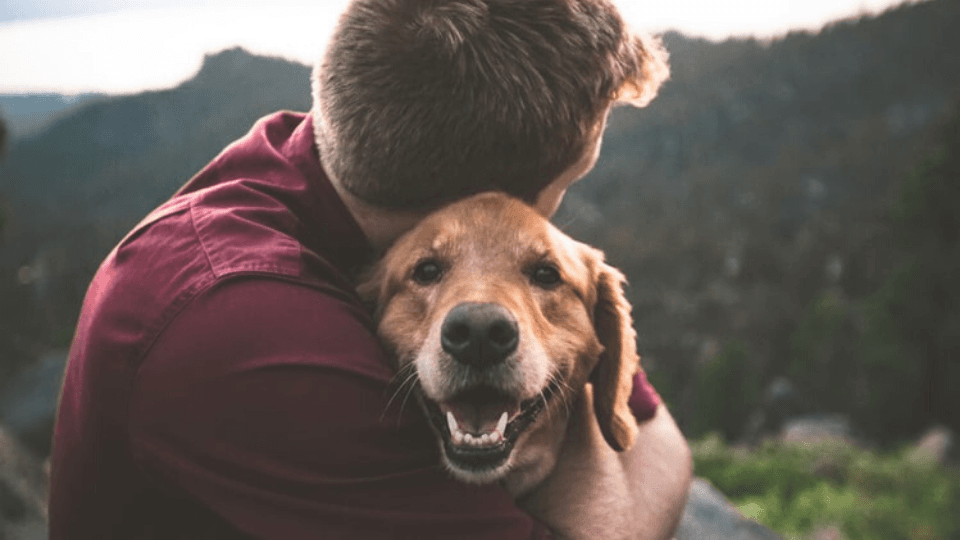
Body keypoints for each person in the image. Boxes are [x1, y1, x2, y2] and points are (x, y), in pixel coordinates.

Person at [48, 0, 691, 538]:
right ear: (490, 199)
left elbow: (655, 435)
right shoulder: (242, 326)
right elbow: (649, 462)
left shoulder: (328, 166)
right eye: (567, 184)